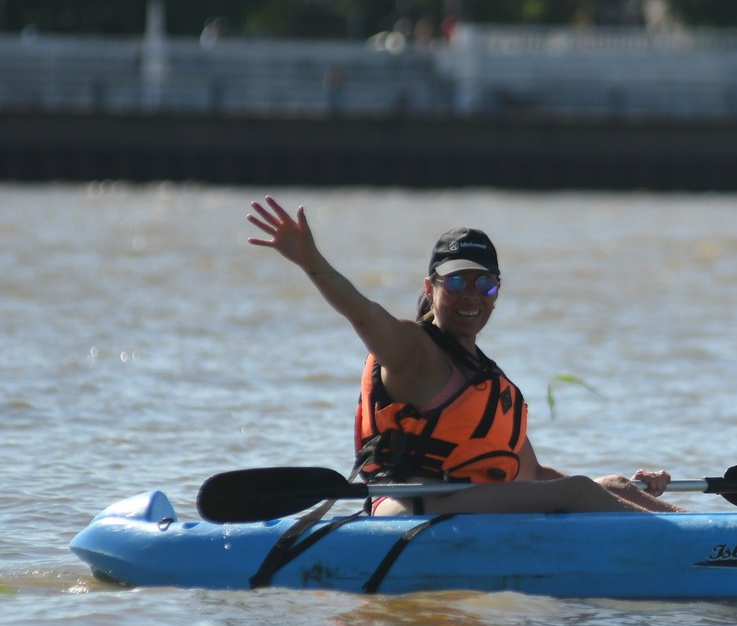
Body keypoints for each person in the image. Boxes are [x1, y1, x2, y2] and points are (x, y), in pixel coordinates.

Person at [246, 196, 683, 516]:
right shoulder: (413, 350)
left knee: (600, 485)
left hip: (464, 507)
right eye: (455, 284)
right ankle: (695, 549)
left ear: (497, 291)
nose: (470, 297)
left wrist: (622, 487)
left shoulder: (488, 383)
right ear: (429, 288)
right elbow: (360, 312)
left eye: (484, 284)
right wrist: (310, 261)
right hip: (411, 511)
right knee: (580, 493)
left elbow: (530, 474)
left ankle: (710, 533)